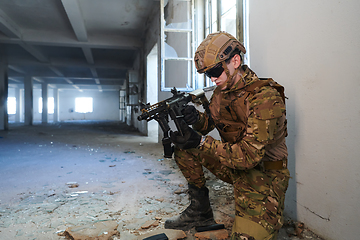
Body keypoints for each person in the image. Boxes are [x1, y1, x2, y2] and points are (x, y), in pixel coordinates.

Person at [164, 31, 290, 240]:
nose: (213, 78)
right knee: (185, 148)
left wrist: (202, 141)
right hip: (233, 165)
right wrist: (194, 118)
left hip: (263, 176)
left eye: (215, 70)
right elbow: (208, 125)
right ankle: (200, 213)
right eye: (207, 74)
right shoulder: (222, 92)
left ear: (235, 60)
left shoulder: (264, 97)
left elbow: (249, 156)